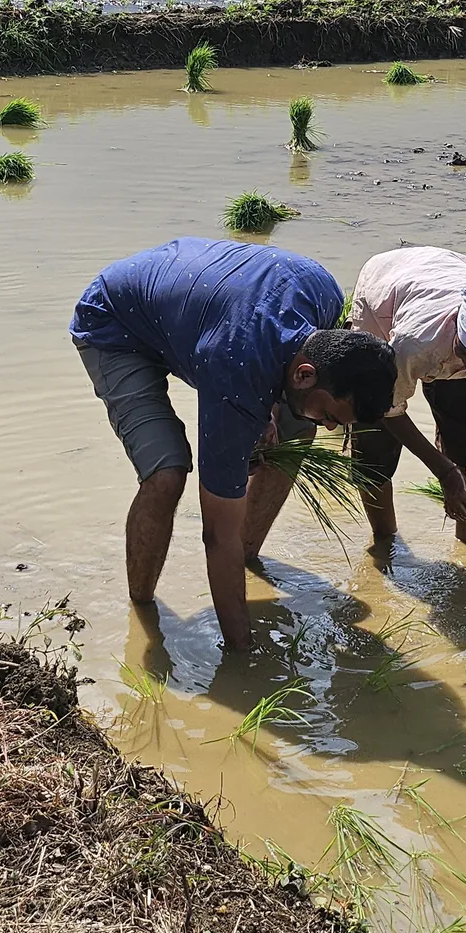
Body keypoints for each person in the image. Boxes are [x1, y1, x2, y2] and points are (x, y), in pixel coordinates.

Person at [71, 237, 397, 649]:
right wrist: (243, 657)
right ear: (303, 375)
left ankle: (247, 557)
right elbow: (215, 535)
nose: (333, 429)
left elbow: (286, 367)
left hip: (194, 317)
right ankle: (142, 610)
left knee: (298, 431)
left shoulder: (323, 293)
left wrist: (271, 414)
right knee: (167, 472)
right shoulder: (236, 375)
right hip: (116, 324)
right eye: (333, 416)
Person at [346, 247, 466, 547]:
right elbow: (387, 407)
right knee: (373, 447)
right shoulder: (416, 342)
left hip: (443, 271)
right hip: (382, 295)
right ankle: (385, 541)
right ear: (457, 329)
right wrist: (445, 472)